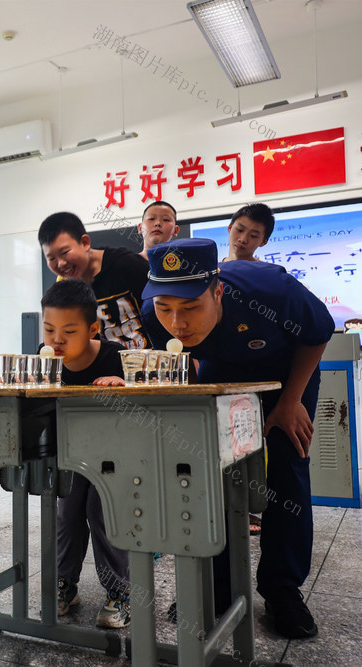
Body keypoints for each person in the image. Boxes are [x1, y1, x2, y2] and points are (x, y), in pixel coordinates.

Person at [139, 237, 333, 639]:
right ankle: (218, 583)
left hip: (286, 369)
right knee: (213, 470)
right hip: (221, 368)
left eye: (190, 307)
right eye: (165, 308)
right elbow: (181, 368)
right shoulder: (152, 310)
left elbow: (317, 333)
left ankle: (282, 589)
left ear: (218, 292)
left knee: (288, 463)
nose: (176, 322)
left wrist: (291, 400)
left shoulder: (270, 291)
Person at [39, 279, 130, 627]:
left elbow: (141, 403)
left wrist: (123, 385)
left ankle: (120, 591)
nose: (56, 340)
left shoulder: (114, 357)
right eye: (49, 329)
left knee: (101, 509)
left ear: (93, 329)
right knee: (67, 511)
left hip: (114, 458)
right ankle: (65, 583)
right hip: (70, 455)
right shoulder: (45, 359)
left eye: (68, 331)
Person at [39, 212, 150, 349]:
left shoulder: (128, 265)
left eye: (65, 252)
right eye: (51, 258)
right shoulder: (64, 285)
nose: (61, 263)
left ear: (85, 243)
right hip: (106, 361)